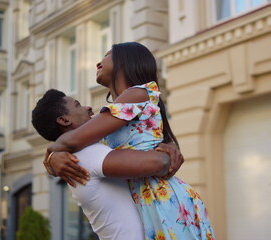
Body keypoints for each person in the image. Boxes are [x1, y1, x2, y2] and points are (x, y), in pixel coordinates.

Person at [46, 42, 215, 240]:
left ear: (126, 62)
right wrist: (53, 158)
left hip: (160, 195)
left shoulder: (139, 93)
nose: (99, 62)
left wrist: (50, 152)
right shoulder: (114, 113)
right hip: (144, 197)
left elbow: (73, 140)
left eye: (108, 54)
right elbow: (72, 138)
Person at [31, 89, 183, 240]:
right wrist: (169, 150)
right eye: (78, 105)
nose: (88, 107)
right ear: (64, 120)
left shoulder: (81, 154)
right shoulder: (88, 154)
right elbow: (159, 163)